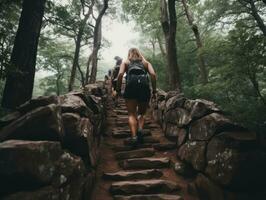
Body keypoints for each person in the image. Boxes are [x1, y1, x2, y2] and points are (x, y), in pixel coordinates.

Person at [116, 48, 157, 145]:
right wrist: (154, 90)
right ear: (139, 53)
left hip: (130, 87)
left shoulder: (125, 62)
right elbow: (153, 74)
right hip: (144, 87)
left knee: (131, 114)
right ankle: (140, 130)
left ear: (129, 54)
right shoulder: (146, 63)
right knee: (141, 113)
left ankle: (134, 137)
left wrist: (118, 90)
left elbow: (120, 74)